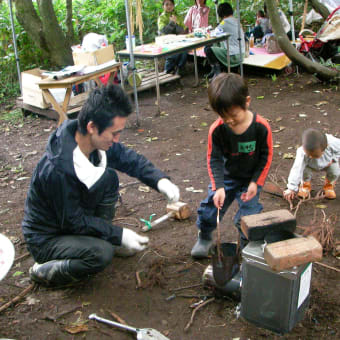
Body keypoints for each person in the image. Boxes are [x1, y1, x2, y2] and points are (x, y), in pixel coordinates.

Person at [22, 85, 180, 286]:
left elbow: (128, 159)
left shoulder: (93, 142)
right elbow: (73, 221)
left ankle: (102, 240)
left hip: (70, 221)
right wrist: (118, 234)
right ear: (91, 127)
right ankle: (43, 271)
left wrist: (160, 180)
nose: (117, 139)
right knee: (101, 254)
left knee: (108, 178)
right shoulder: (58, 171)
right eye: (114, 133)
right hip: (48, 237)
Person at [191, 73, 273, 258]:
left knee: (248, 218)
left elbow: (266, 157)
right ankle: (204, 237)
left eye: (233, 115)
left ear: (247, 102)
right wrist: (218, 186)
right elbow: (214, 160)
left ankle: (246, 248)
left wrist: (255, 182)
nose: (228, 120)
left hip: (250, 181)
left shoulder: (261, 127)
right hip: (227, 178)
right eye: (222, 115)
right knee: (209, 210)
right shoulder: (217, 130)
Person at [283, 129, 340, 201]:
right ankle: (305, 185)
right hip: (309, 165)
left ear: (325, 148)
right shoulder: (302, 153)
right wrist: (291, 188)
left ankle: (329, 186)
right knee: (304, 171)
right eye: (308, 154)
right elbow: (297, 168)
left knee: (335, 172)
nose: (310, 157)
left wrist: (334, 159)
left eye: (315, 155)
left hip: (328, 162)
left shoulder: (333, 142)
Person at [204, 2, 245, 80]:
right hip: (241, 53)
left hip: (233, 55)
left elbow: (214, 33)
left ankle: (217, 72)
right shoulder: (236, 20)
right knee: (217, 45)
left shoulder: (225, 22)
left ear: (221, 14)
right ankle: (215, 70)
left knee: (208, 49)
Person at [158, 0, 187, 75]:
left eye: (171, 4)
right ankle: (168, 71)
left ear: (173, 6)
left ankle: (180, 69)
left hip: (178, 40)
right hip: (166, 42)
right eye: (166, 5)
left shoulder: (177, 16)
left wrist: (175, 25)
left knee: (184, 50)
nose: (169, 6)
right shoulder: (161, 17)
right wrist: (172, 23)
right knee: (173, 53)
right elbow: (164, 30)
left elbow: (182, 30)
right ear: (163, 6)